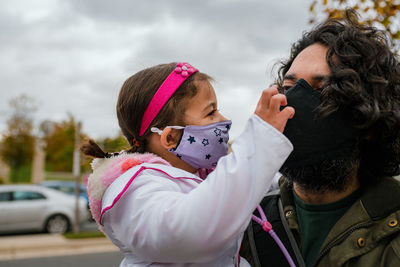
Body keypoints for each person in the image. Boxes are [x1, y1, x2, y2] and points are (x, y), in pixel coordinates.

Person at [81, 62, 295, 266]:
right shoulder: (132, 191)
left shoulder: (204, 177)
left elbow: (269, 184)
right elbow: (192, 232)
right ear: (171, 138)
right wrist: (260, 140)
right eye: (211, 112)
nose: (223, 119)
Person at [241, 10, 400, 267]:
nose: (293, 106)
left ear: (370, 118)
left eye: (322, 89)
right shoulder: (244, 224)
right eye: (290, 88)